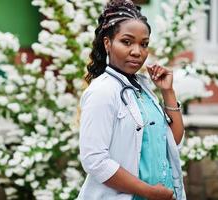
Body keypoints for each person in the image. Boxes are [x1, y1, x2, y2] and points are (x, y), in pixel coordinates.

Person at [78, 0, 186, 200]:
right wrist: (148, 192)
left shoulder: (142, 87)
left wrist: (168, 92)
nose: (137, 51)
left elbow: (172, 141)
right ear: (107, 43)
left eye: (143, 44)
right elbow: (94, 160)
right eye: (127, 42)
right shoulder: (103, 91)